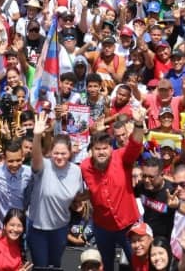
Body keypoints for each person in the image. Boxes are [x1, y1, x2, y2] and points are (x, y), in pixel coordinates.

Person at [80, 104, 147, 271]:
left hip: (129, 224)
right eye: (97, 149)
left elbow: (135, 144)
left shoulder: (121, 157)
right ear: (92, 151)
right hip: (102, 227)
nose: (101, 152)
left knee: (136, 264)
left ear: (111, 148)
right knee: (107, 265)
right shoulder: (84, 166)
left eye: (105, 148)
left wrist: (138, 124)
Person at [28, 114, 85, 267]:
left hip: (60, 229)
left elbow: (78, 196)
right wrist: (37, 136)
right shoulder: (44, 165)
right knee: (41, 267)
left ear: (70, 153)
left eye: (63, 153)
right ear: (51, 153)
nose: (59, 157)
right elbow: (36, 158)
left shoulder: (76, 171)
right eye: (56, 153)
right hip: (38, 228)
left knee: (56, 266)